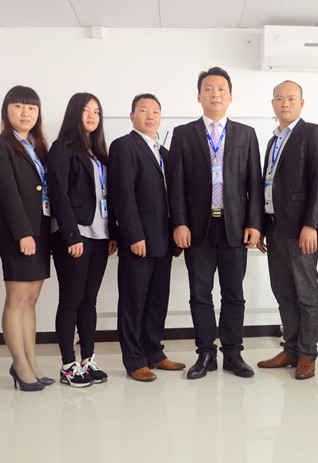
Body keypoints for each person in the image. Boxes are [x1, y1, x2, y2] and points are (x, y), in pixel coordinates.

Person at [167, 67, 264, 379]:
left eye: (221, 89)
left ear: (230, 96)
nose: (215, 94)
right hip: (198, 228)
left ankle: (233, 353)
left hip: (235, 227)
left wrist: (254, 223)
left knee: (234, 294)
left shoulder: (246, 134)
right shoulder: (183, 134)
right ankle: (206, 353)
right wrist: (179, 223)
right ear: (199, 96)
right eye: (208, 89)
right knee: (200, 294)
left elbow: (255, 182)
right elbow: (176, 184)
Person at [256, 81, 318, 380]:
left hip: (301, 229)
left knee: (306, 292)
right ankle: (291, 349)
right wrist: (261, 227)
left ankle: (307, 354)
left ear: (301, 103)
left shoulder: (313, 132)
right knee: (283, 291)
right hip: (274, 227)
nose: (284, 103)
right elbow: (268, 186)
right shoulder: (273, 140)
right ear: (272, 103)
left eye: (291, 98)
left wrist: (312, 224)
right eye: (279, 98)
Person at [109, 93, 185, 382]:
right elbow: (123, 195)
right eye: (143, 110)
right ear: (132, 116)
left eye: (155, 111)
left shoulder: (164, 152)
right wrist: (133, 235)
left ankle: (154, 352)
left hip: (164, 241)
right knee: (133, 302)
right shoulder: (123, 146)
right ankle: (134, 360)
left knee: (157, 301)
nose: (150, 116)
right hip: (139, 241)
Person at [46, 92, 117, 387]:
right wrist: (70, 234)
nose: (92, 116)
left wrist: (112, 233)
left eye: (96, 111)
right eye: (86, 110)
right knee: (71, 300)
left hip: (100, 235)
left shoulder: (100, 153)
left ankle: (87, 360)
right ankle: (68, 365)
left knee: (89, 301)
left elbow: (108, 196)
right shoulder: (62, 148)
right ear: (74, 113)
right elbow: (58, 194)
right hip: (74, 234)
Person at [0, 86, 52, 392]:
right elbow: (8, 192)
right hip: (18, 233)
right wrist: (24, 233)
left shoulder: (39, 147)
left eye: (32, 108)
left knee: (32, 300)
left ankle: (31, 362)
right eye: (19, 106)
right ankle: (19, 365)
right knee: (17, 299)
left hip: (42, 231)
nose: (26, 113)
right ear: (6, 110)